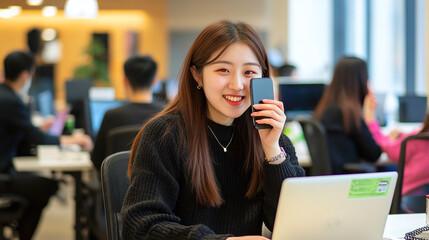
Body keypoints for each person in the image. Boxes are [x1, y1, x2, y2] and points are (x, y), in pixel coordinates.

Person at [121, 20, 305, 240]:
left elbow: (292, 224)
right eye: (223, 70)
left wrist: (273, 151)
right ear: (197, 75)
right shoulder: (164, 135)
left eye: (249, 72)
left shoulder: (272, 138)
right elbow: (140, 226)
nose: (237, 84)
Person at [0, 50, 92, 240]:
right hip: (3, 176)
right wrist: (72, 140)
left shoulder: (5, 96)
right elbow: (35, 138)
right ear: (26, 74)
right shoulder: (11, 101)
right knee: (48, 186)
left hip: (6, 168)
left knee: (40, 182)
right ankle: (21, 233)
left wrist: (36, 128)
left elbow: (16, 132)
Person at [91, 55, 164, 173]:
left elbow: (97, 160)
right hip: (158, 189)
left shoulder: (112, 115)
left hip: (118, 189)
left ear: (125, 81)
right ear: (155, 81)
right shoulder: (167, 115)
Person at [314, 56, 381, 174]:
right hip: (349, 181)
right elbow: (374, 154)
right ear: (361, 80)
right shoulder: (350, 114)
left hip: (334, 180)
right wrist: (370, 117)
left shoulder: (326, 107)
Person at [364, 92, 429, 212]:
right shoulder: (416, 138)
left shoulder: (416, 140)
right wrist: (403, 135)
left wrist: (370, 118)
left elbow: (383, 145)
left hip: (411, 203)